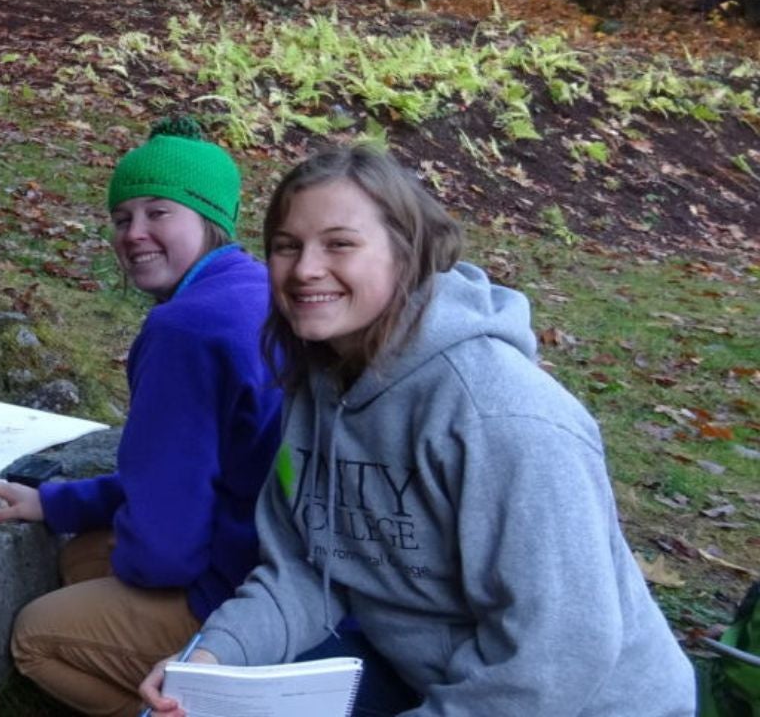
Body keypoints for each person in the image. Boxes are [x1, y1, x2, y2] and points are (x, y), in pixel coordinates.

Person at [139, 145, 695, 717]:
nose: (305, 269)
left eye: (340, 244)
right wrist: (210, 661)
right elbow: (305, 571)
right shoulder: (321, 383)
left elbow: (556, 658)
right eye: (287, 246)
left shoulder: (502, 417)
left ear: (406, 254)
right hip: (420, 673)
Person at [0, 116, 281, 716]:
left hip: (244, 596)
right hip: (276, 560)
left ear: (209, 220)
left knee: (36, 636)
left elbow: (166, 549)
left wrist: (137, 562)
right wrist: (54, 503)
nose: (133, 233)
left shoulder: (184, 330)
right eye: (121, 217)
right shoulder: (257, 287)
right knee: (81, 555)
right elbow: (188, 473)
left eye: (158, 212)